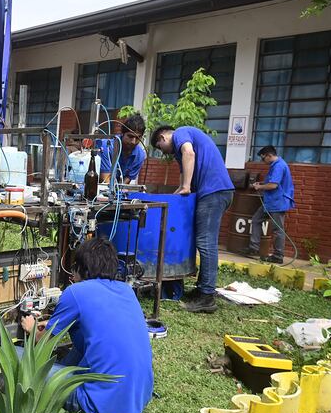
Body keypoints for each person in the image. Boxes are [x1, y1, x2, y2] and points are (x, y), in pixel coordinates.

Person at [20, 238, 153, 413]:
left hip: (98, 404)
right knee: (82, 343)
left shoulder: (76, 292)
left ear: (81, 268)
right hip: (136, 400)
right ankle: (63, 370)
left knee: (17, 360)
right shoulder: (126, 290)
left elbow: (43, 341)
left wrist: (32, 327)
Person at [150, 125, 234, 313]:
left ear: (163, 137)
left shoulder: (180, 133)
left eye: (159, 147)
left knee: (206, 242)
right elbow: (184, 170)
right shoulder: (180, 150)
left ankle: (207, 297)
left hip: (214, 192)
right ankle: (202, 290)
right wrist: (179, 190)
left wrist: (186, 187)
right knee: (203, 241)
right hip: (214, 192)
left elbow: (189, 154)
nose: (163, 153)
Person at [242, 145, 295, 264]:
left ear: (269, 155)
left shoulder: (279, 166)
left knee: (277, 229)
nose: (263, 161)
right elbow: (271, 182)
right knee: (256, 220)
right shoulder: (275, 165)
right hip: (270, 202)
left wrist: (259, 187)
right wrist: (261, 183)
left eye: (263, 158)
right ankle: (254, 248)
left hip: (278, 202)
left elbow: (273, 185)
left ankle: (278, 255)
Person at [98, 114, 147, 184]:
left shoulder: (140, 155)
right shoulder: (107, 147)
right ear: (122, 133)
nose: (133, 142)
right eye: (130, 136)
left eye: (138, 138)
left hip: (116, 188)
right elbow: (105, 179)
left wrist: (120, 191)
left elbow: (128, 178)